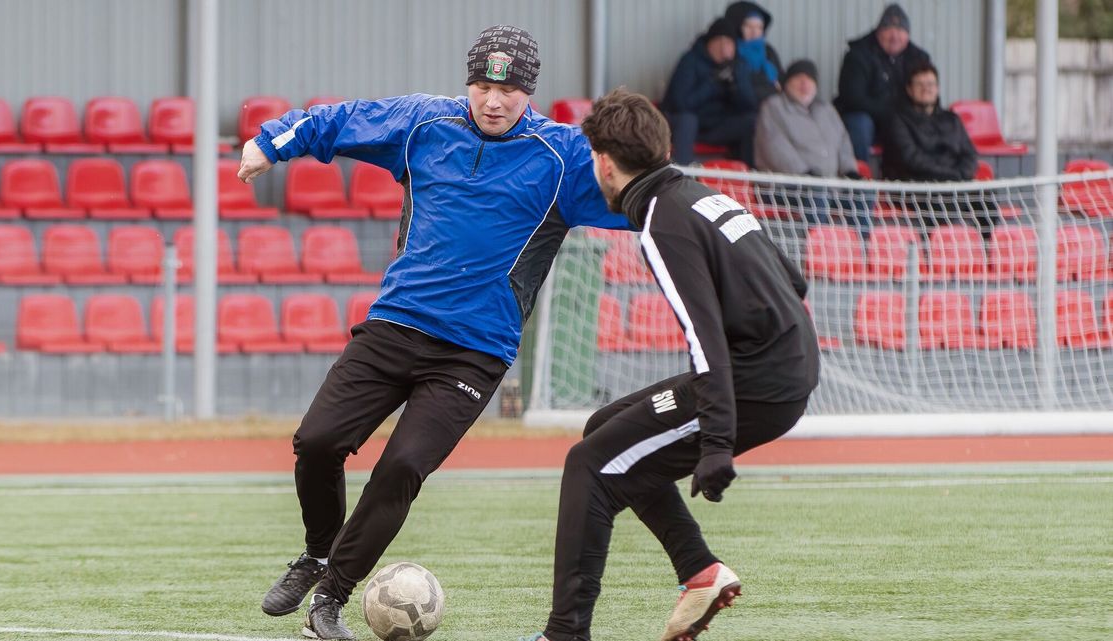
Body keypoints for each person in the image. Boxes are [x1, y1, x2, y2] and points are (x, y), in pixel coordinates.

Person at [237, 25, 632, 641]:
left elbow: (641, 193)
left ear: (531, 91)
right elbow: (339, 120)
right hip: (395, 325)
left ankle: (330, 600)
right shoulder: (423, 123)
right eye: (482, 85)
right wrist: (270, 143)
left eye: (510, 90)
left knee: (401, 469)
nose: (493, 101)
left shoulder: (564, 159)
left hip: (473, 355)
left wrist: (709, 227)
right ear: (468, 82)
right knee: (316, 441)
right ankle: (318, 553)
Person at [519, 89, 819, 641]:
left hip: (758, 384)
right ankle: (698, 569)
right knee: (604, 429)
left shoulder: (663, 224)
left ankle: (565, 633)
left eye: (592, 160)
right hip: (775, 366)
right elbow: (794, 280)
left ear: (605, 163)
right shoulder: (701, 195)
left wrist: (716, 445)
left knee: (588, 465)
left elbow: (702, 339)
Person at [754, 60, 871, 232]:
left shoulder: (827, 110)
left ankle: (862, 251)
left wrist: (850, 171)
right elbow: (775, 147)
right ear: (787, 83)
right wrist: (805, 174)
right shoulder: (773, 107)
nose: (804, 83)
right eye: (798, 78)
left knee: (863, 193)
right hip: (784, 186)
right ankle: (814, 252)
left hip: (829, 186)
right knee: (816, 194)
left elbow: (843, 142)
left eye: (809, 79)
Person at [881, 62, 993, 230]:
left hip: (954, 183)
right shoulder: (897, 120)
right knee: (941, 204)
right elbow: (911, 158)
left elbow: (969, 154)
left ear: (938, 88)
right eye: (920, 84)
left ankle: (987, 252)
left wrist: (962, 175)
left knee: (984, 199)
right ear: (909, 89)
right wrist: (952, 176)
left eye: (931, 84)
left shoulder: (952, 119)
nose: (926, 89)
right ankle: (935, 254)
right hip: (915, 187)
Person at [833, 3, 931, 162]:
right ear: (878, 32)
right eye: (889, 29)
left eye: (901, 31)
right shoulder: (858, 54)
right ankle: (858, 179)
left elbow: (927, 94)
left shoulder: (919, 58)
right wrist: (891, 114)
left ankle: (921, 178)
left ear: (908, 35)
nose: (895, 36)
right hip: (869, 119)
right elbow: (852, 99)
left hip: (902, 119)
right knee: (859, 123)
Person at [661, 17, 756, 165]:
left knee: (751, 121)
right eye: (719, 42)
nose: (724, 48)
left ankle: (746, 178)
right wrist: (711, 84)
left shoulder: (739, 65)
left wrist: (737, 85)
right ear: (708, 43)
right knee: (688, 120)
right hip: (686, 127)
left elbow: (749, 106)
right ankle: (683, 176)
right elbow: (680, 104)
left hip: (716, 128)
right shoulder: (690, 60)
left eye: (729, 43)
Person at [724, 1, 783, 109]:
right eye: (748, 26)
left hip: (772, 109)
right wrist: (771, 88)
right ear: (737, 27)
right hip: (742, 111)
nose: (755, 32)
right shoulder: (729, 51)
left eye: (759, 27)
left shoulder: (768, 51)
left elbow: (782, 81)